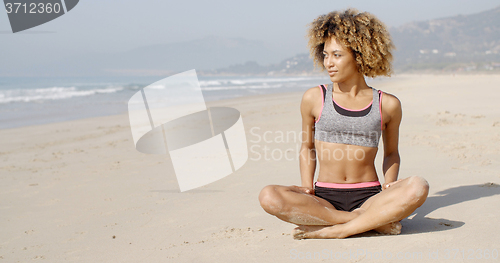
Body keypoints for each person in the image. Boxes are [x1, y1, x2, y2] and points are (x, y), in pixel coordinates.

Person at [258, 8, 429, 239]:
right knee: (269, 196)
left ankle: (335, 230)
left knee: (419, 186)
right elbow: (307, 148)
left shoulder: (387, 104)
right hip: (325, 197)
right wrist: (307, 186)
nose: (329, 62)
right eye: (326, 55)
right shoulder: (314, 98)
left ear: (359, 56)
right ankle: (365, 222)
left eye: (337, 55)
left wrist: (390, 184)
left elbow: (391, 154)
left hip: (369, 196)